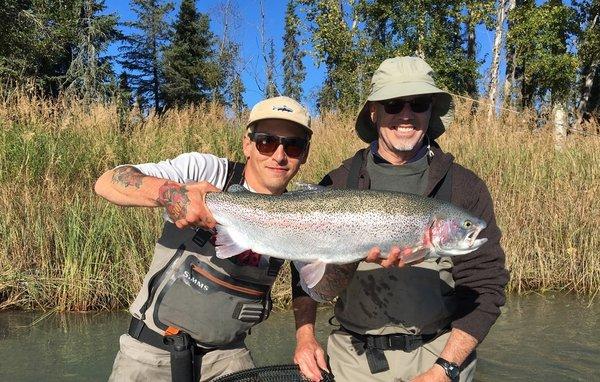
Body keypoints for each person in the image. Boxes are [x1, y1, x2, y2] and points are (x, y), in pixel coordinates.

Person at [291, 57, 509, 382]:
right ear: (373, 111)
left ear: (431, 110)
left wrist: (445, 369)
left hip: (438, 354)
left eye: (418, 103)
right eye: (393, 104)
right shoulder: (337, 183)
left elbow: (486, 285)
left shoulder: (464, 187)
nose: (406, 115)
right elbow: (303, 270)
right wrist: (305, 336)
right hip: (353, 359)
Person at [95, 96, 313, 382]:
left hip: (229, 357)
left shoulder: (304, 212)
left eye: (293, 145)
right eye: (267, 142)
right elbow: (108, 182)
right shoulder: (206, 171)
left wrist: (305, 339)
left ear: (305, 154)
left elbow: (310, 285)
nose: (279, 155)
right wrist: (171, 194)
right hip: (149, 353)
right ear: (248, 144)